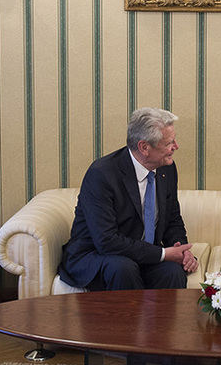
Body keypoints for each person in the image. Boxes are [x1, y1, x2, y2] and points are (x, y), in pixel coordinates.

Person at [58, 107, 199, 291]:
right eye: (169, 143)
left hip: (140, 256)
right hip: (97, 255)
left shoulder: (166, 169)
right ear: (144, 147)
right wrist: (163, 253)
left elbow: (172, 219)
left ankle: (165, 321)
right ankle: (126, 321)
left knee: (172, 271)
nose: (176, 147)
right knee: (123, 268)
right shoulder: (101, 174)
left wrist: (181, 249)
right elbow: (106, 241)